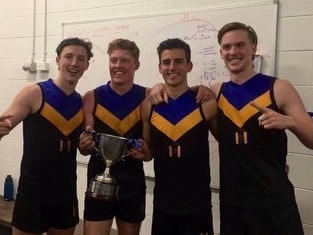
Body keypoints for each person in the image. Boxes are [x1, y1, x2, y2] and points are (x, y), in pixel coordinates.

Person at [211, 22, 313, 235]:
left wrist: (291, 122)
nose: (233, 52)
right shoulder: (215, 92)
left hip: (273, 202)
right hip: (233, 203)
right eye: (227, 47)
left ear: (253, 48)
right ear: (221, 52)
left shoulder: (279, 87)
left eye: (240, 45)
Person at [0, 37, 93, 235]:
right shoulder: (34, 92)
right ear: (58, 60)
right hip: (32, 193)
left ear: (87, 64)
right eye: (68, 56)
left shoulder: (81, 103)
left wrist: (86, 147)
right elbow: (4, 125)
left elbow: (83, 151)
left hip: (65, 194)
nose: (74, 63)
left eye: (80, 58)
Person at [132, 38, 217, 235]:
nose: (172, 67)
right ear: (160, 67)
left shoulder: (207, 103)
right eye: (166, 62)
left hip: (198, 202)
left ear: (189, 66)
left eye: (178, 61)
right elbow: (149, 152)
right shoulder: (148, 106)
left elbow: (229, 143)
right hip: (163, 202)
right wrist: (142, 152)